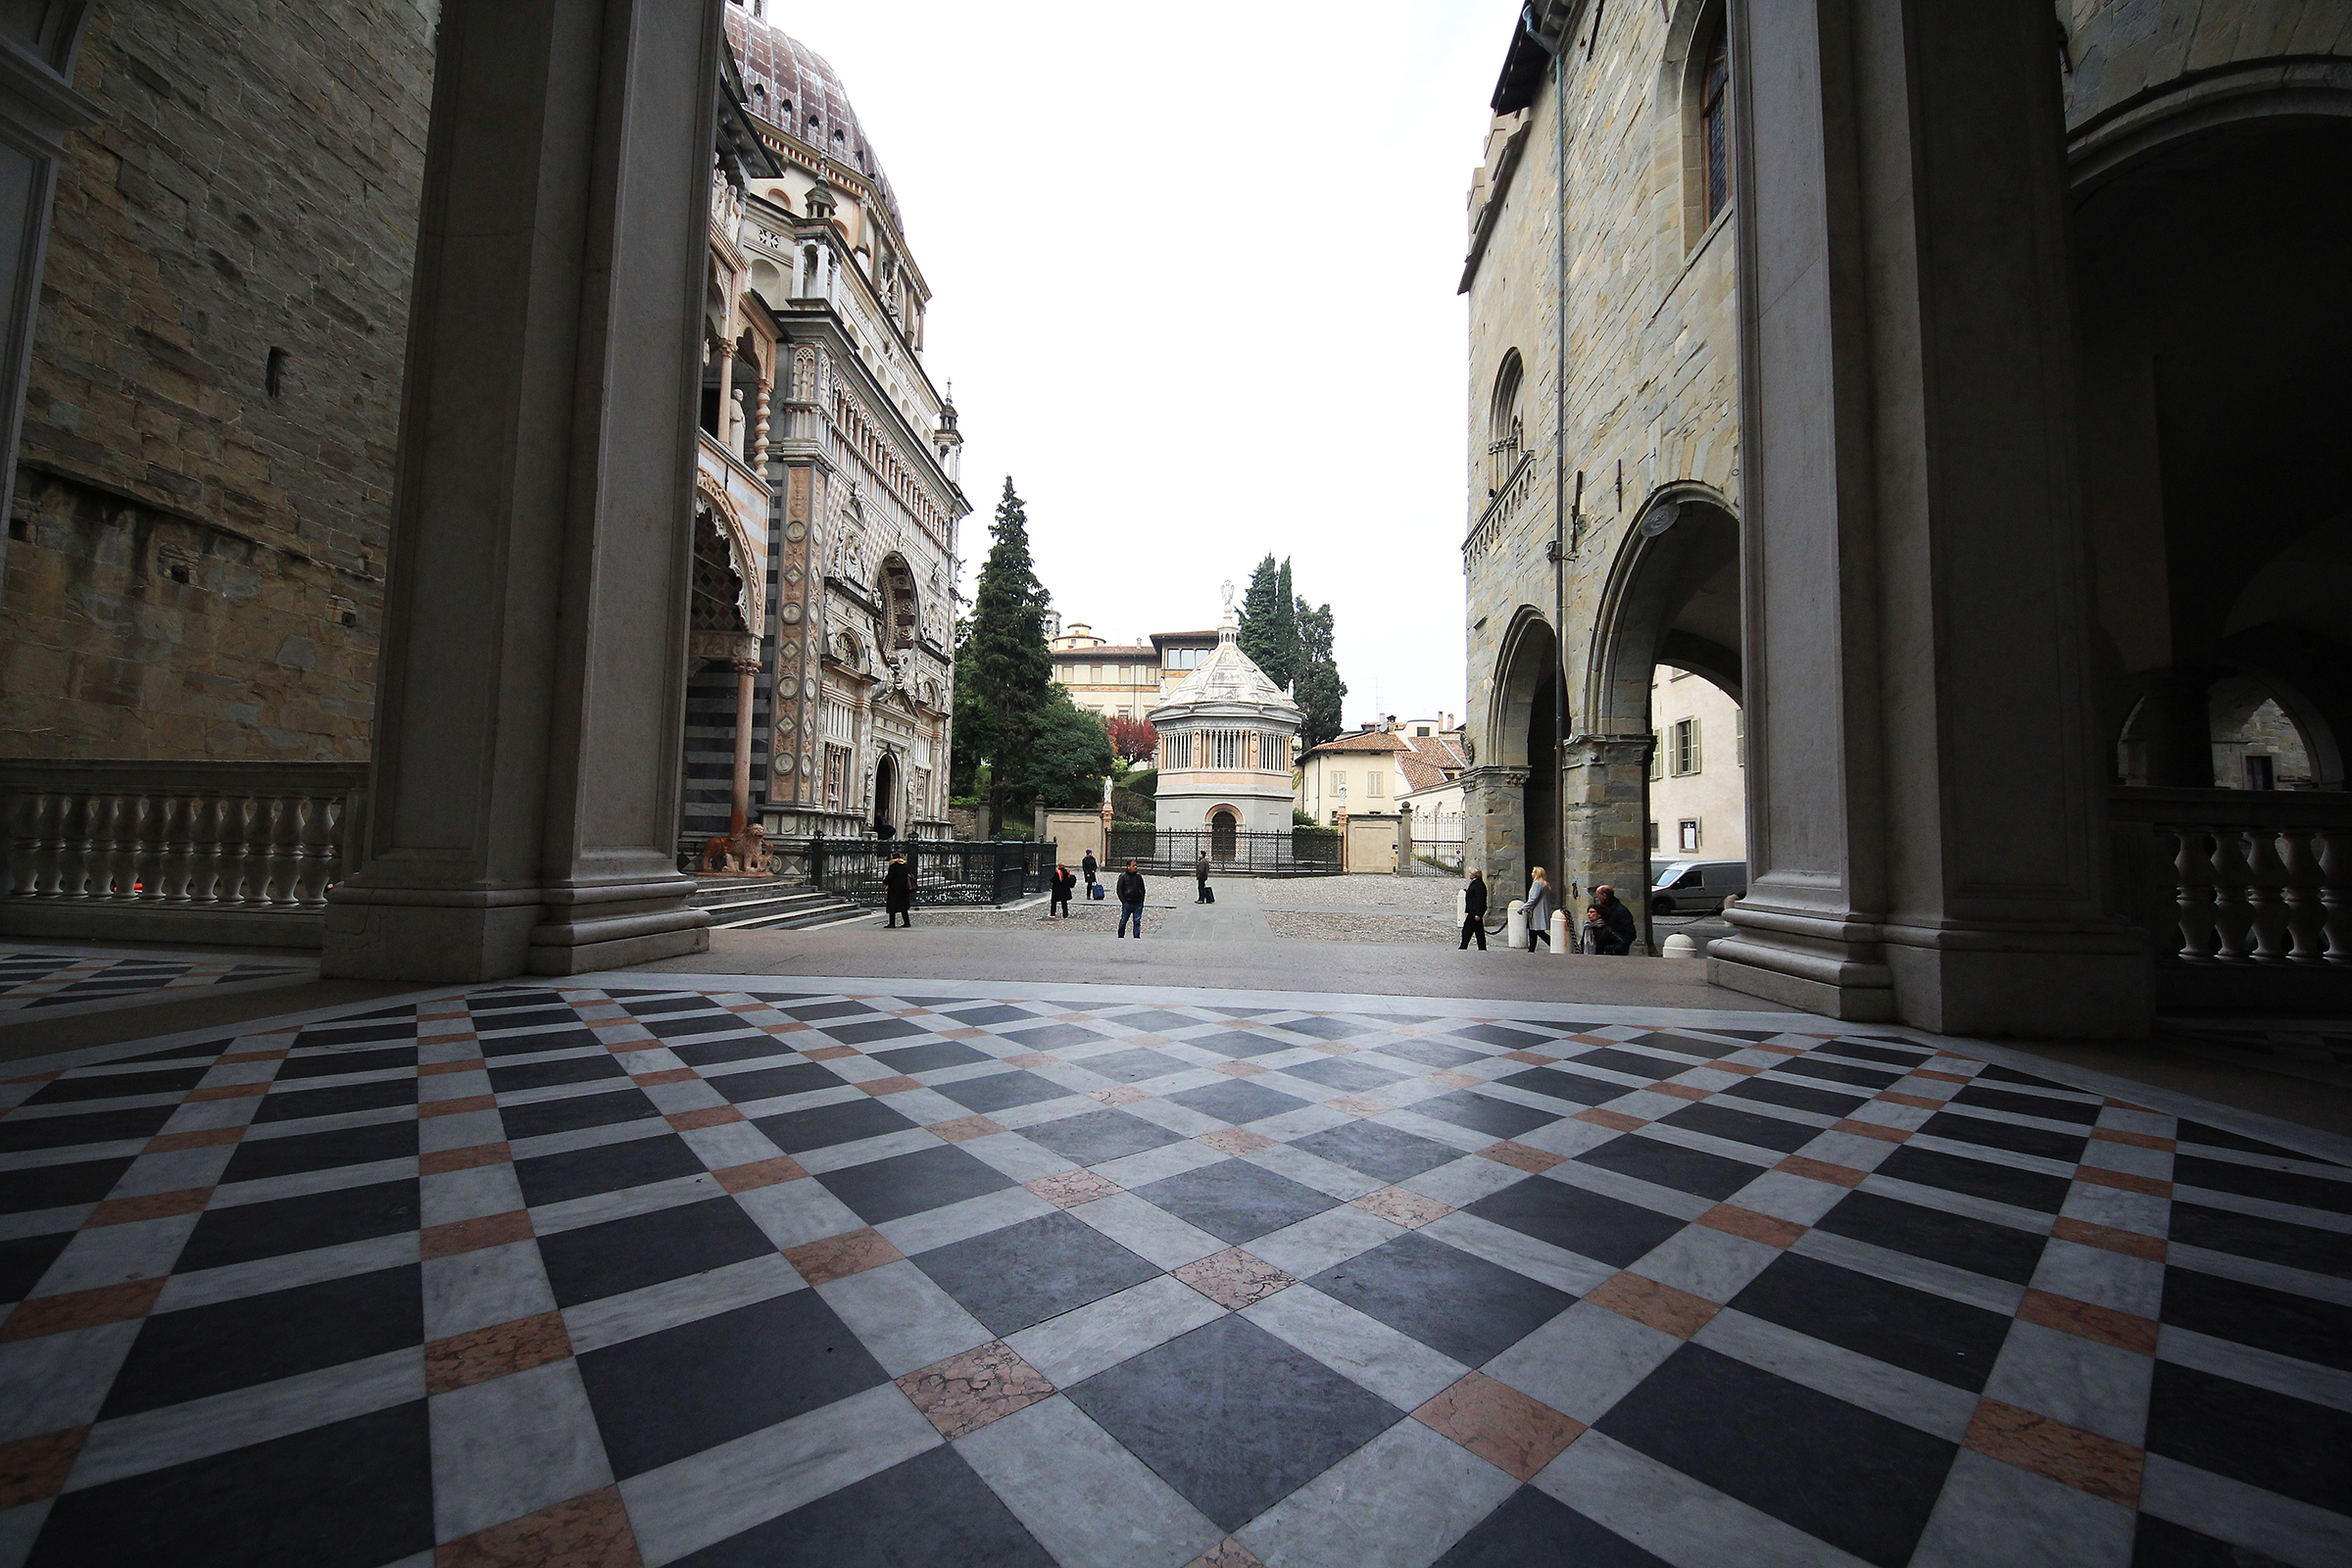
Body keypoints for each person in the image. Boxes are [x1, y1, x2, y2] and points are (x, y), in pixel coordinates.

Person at [1583, 883, 1637, 955]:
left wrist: (1614, 949)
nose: (1597, 897)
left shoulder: (1621, 911)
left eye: (1598, 894)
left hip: (1614, 949)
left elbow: (1629, 933)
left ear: (1604, 896)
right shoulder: (1601, 911)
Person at [1115, 858, 1147, 938]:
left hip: (1137, 902)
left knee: (1137, 921)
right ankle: (1120, 935)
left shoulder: (1138, 877)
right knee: (1123, 920)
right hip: (1128, 903)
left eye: (1136, 865)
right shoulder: (1123, 877)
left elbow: (1142, 889)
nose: (1135, 867)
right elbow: (1119, 890)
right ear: (1128, 867)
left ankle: (1136, 936)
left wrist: (1141, 900)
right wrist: (1124, 901)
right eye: (1133, 865)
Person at [882, 851, 913, 928]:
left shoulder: (894, 865)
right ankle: (907, 922)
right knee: (903, 906)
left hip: (894, 888)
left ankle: (892, 923)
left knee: (892, 906)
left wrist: (885, 882)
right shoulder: (905, 864)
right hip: (904, 888)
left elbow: (890, 877)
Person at [1459, 869, 1489, 951]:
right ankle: (1482, 947)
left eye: (1470, 873)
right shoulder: (1475, 883)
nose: (1469, 874)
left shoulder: (1479, 885)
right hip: (1473, 910)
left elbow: (1480, 900)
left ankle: (1463, 946)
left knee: (1467, 929)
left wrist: (1478, 913)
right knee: (1478, 931)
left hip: (1474, 910)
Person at [1525, 866, 1553, 951]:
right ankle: (1531, 949)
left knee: (1537, 931)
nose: (1532, 874)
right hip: (1540, 909)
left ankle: (1553, 944)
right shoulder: (1545, 883)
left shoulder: (1537, 884)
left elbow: (1534, 898)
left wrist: (1524, 907)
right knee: (1533, 930)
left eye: (1533, 872)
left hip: (1537, 910)